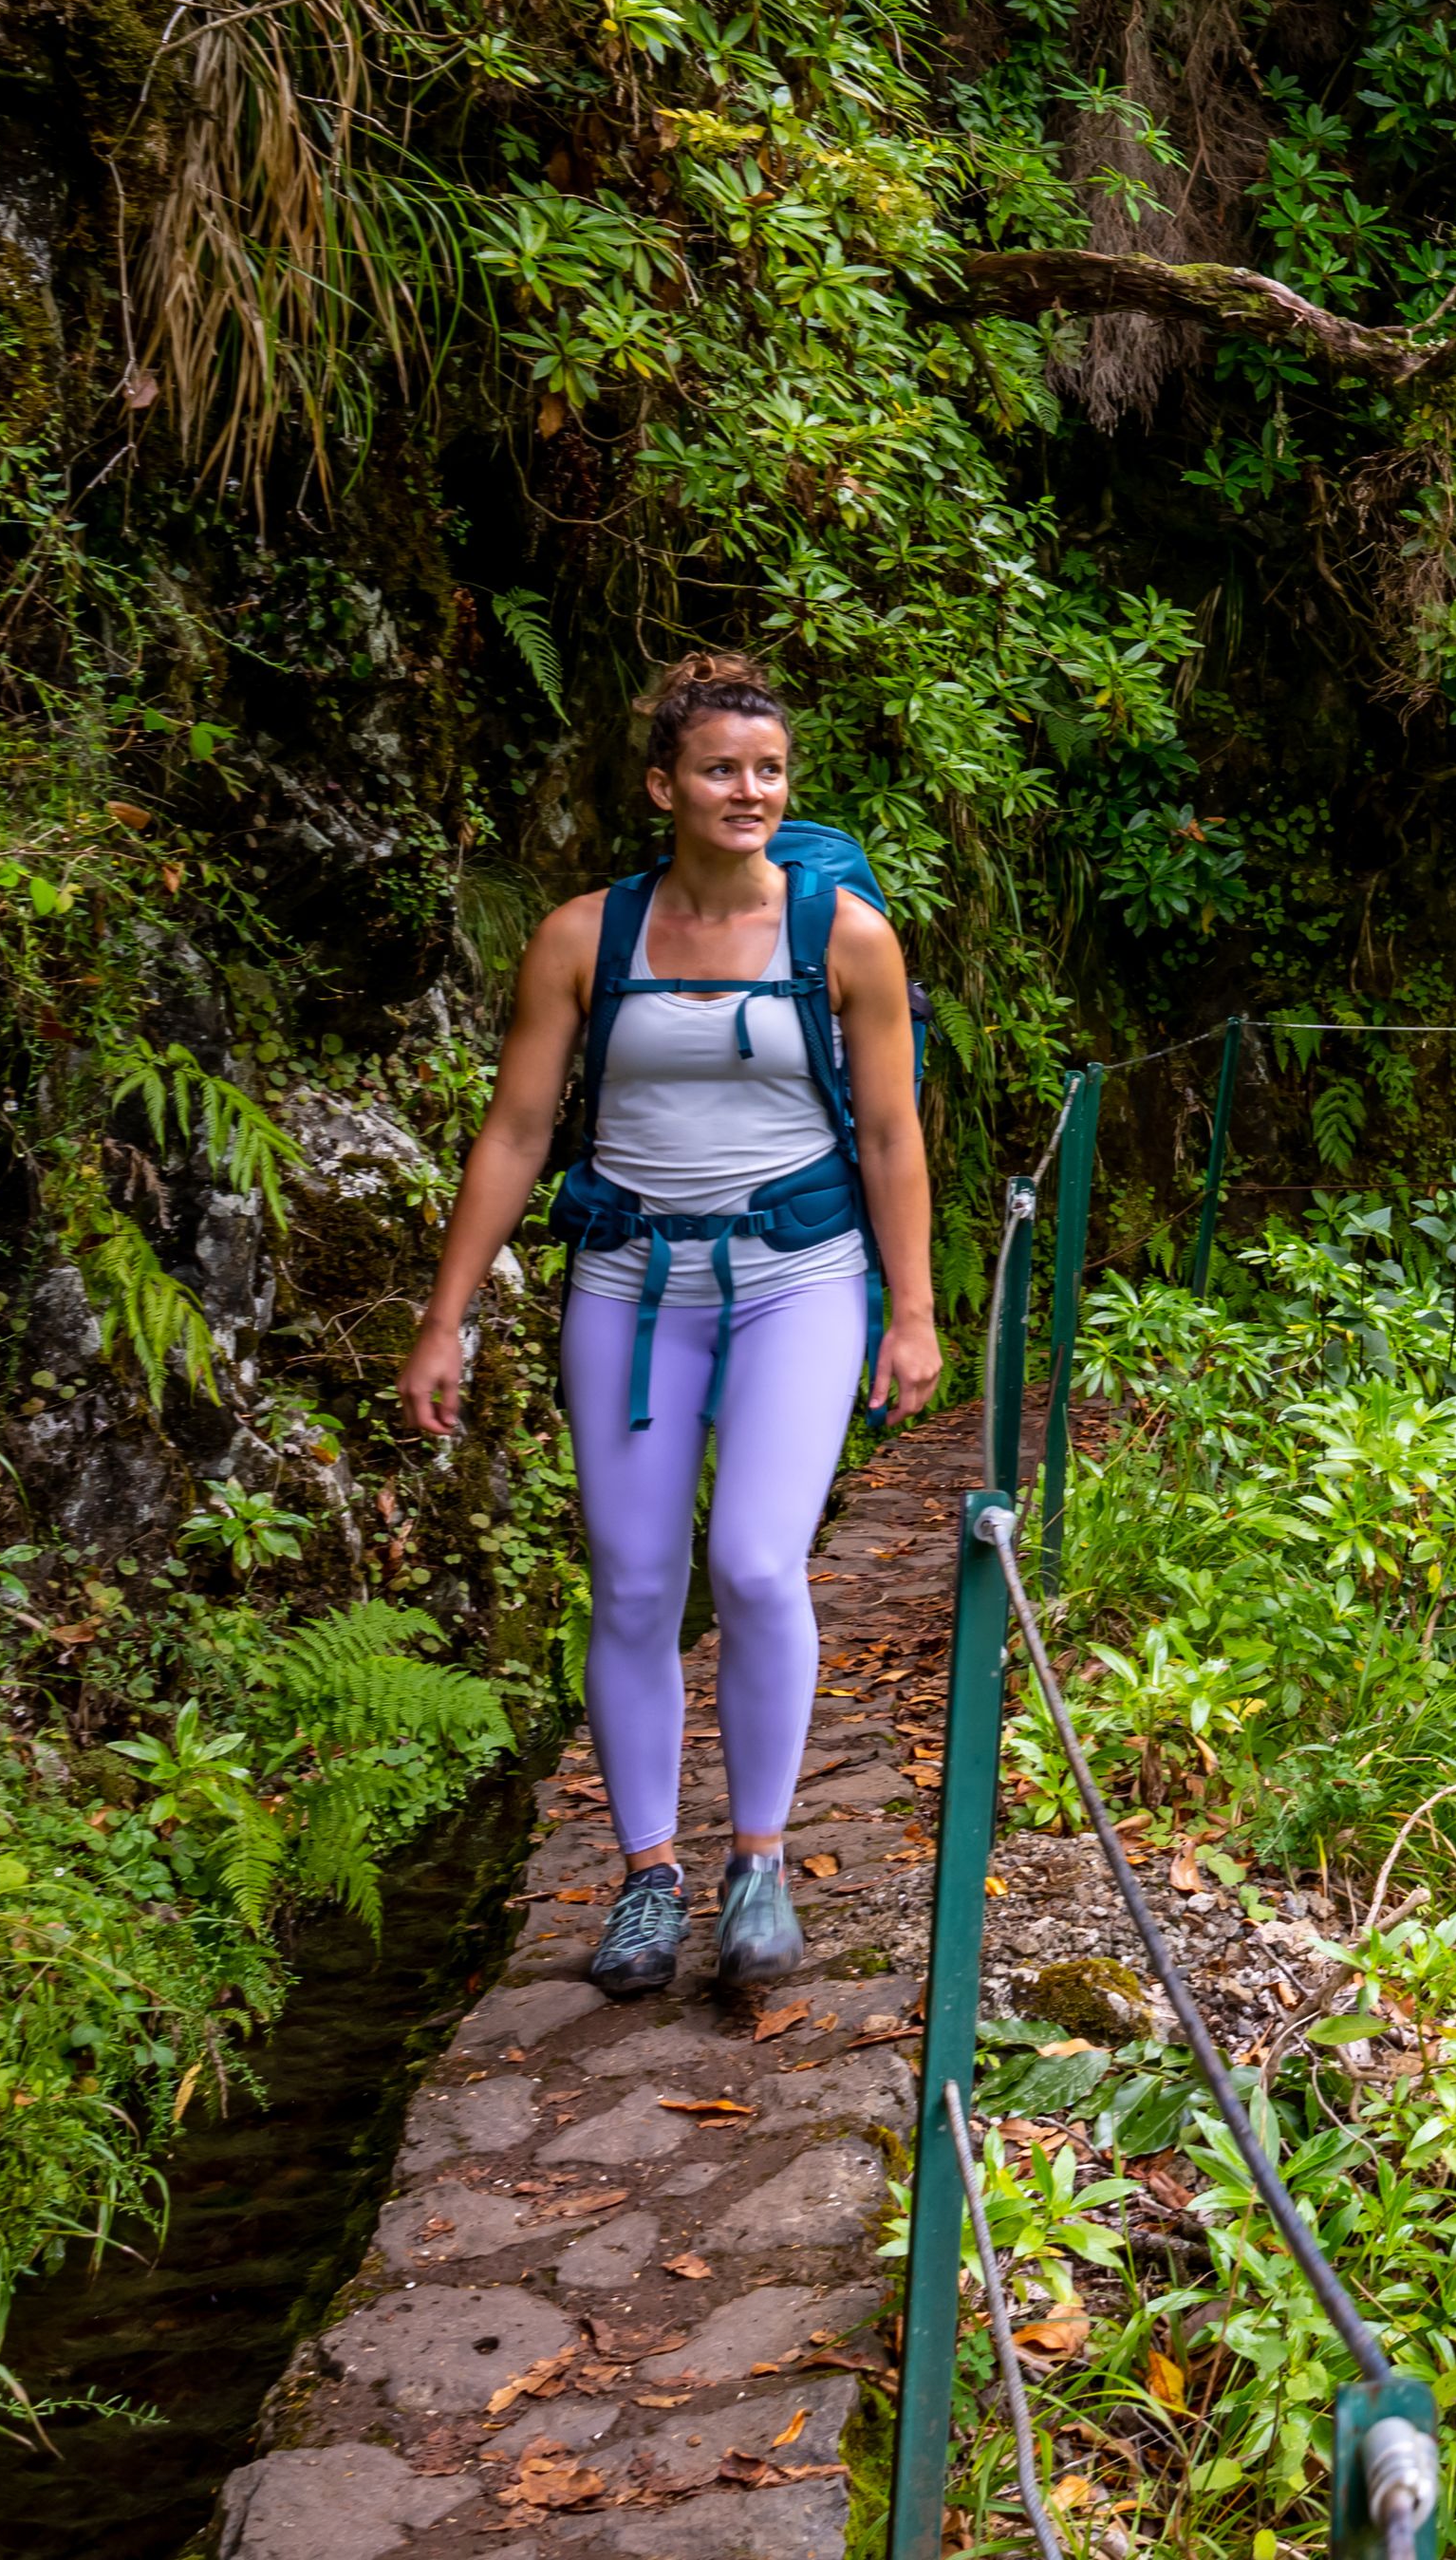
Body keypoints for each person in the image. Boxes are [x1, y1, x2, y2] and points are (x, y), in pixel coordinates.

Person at [400, 657, 943, 2002]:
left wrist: (913, 1312)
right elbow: (520, 1129)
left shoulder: (847, 938)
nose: (746, 791)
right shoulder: (586, 937)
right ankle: (649, 1874)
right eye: (718, 769)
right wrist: (445, 1318)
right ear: (664, 786)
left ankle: (759, 1859)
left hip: (798, 1277)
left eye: (766, 769)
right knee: (635, 1583)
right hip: (632, 1284)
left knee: (757, 1563)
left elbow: (889, 1132)